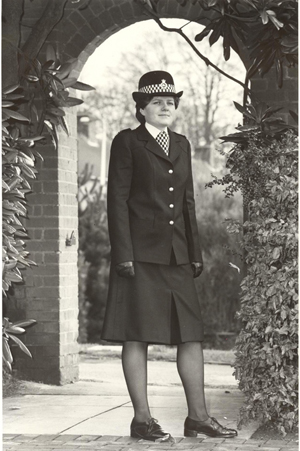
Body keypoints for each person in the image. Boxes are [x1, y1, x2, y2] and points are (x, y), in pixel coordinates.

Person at [101, 70, 237, 442]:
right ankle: (142, 420)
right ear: (142, 107)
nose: (165, 107)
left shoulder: (182, 143)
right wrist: (123, 254)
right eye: (157, 101)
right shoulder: (127, 142)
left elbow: (188, 201)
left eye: (170, 102)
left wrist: (194, 251)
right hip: (140, 256)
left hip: (177, 254)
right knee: (137, 335)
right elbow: (117, 200)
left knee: (190, 335)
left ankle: (198, 418)